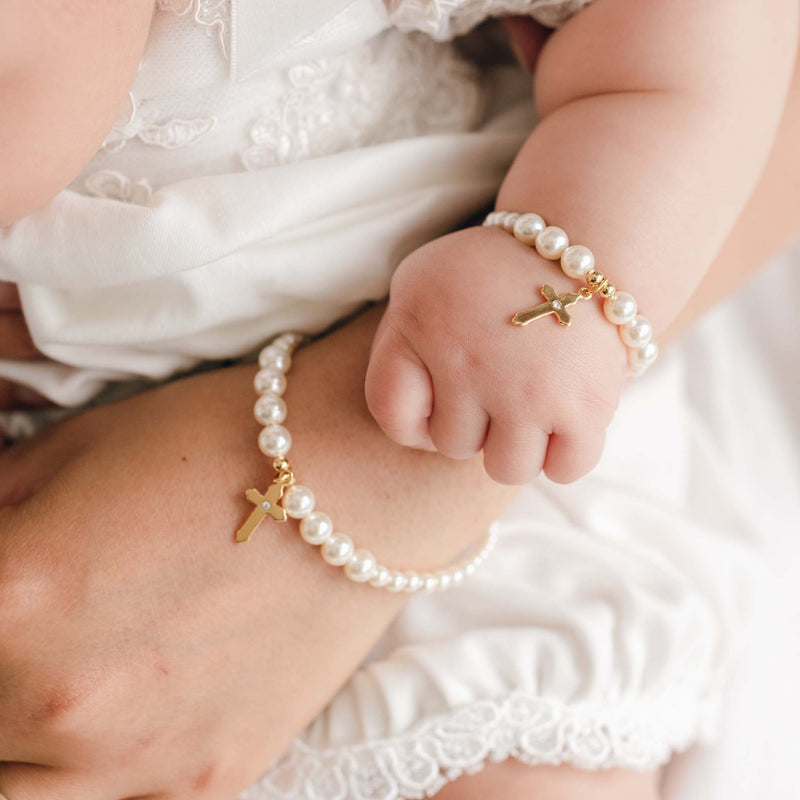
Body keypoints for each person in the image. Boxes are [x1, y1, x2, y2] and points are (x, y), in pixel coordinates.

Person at [0, 1, 798, 799]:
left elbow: (714, 32)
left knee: (518, 761)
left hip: (475, 387)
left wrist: (559, 271)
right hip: (59, 465)